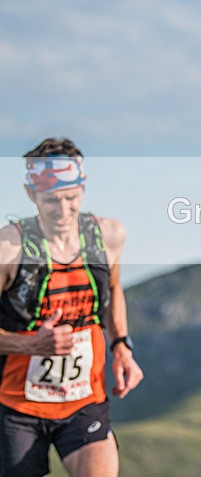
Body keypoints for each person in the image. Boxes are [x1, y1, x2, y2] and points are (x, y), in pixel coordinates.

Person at [0, 138, 144, 476]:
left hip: (84, 402)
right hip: (16, 406)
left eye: (71, 198)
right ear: (31, 194)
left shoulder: (108, 236)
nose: (63, 210)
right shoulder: (9, 248)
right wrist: (29, 345)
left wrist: (121, 346)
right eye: (51, 200)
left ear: (83, 187)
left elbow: (113, 289)